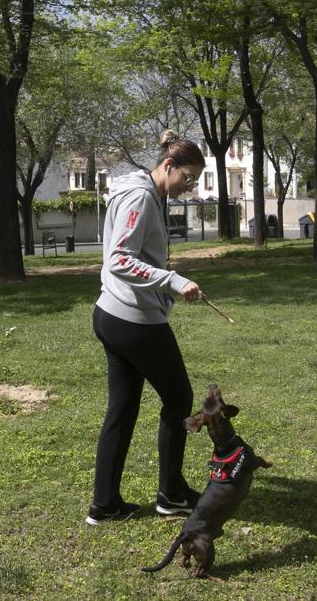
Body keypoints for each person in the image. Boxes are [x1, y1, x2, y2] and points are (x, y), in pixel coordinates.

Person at [86, 130, 206, 525]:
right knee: (178, 399)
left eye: (195, 182)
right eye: (187, 178)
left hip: (114, 314)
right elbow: (119, 259)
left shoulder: (150, 194)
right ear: (168, 166)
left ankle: (104, 505)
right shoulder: (140, 196)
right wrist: (173, 280)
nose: (189, 188)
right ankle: (171, 495)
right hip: (132, 318)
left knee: (122, 409)